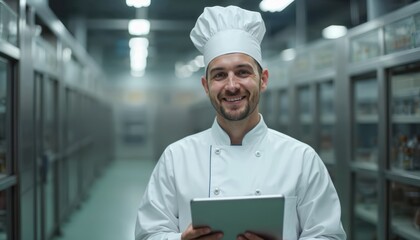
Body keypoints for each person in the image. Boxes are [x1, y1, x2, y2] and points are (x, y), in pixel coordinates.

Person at [135, 5, 346, 240]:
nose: (232, 85)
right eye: (219, 75)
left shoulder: (301, 159)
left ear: (263, 80)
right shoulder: (176, 158)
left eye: (243, 72)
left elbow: (329, 236)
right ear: (206, 86)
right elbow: (148, 234)